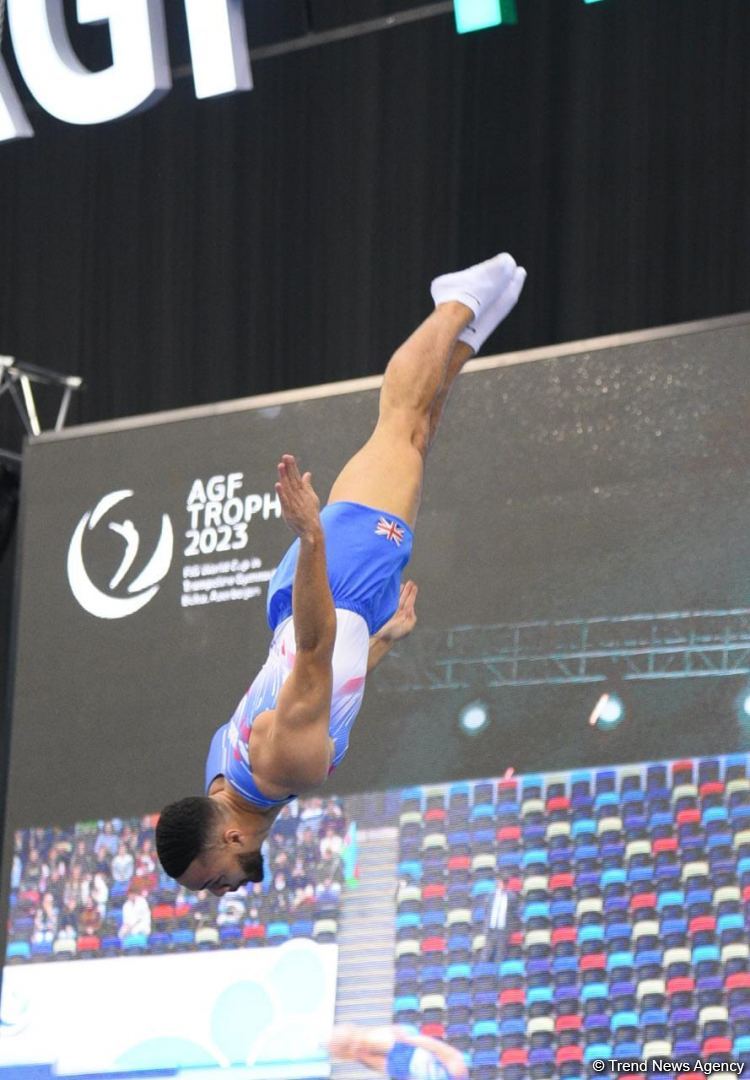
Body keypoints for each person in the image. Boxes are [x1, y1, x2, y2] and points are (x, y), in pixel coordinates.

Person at [155, 253, 526, 895]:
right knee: (413, 442)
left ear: (231, 839)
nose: (222, 890)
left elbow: (316, 648)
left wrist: (312, 540)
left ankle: (456, 302)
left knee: (399, 424)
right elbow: (318, 686)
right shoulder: (222, 777)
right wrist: (385, 641)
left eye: (212, 880)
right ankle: (461, 340)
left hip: (337, 588)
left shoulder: (284, 770)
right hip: (325, 604)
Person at [328, 1023, 468, 1080]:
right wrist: (408, 1039)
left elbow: (441, 1050)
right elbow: (440, 1049)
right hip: (406, 1051)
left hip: (406, 1057)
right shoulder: (456, 1070)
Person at [481, 877, 520, 965]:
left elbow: (514, 913)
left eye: (501, 883)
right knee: (487, 953)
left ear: (505, 884)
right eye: (498, 883)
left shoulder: (511, 896)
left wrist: (510, 929)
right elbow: (487, 910)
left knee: (500, 954)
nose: (499, 885)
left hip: (503, 930)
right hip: (491, 929)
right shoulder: (491, 896)